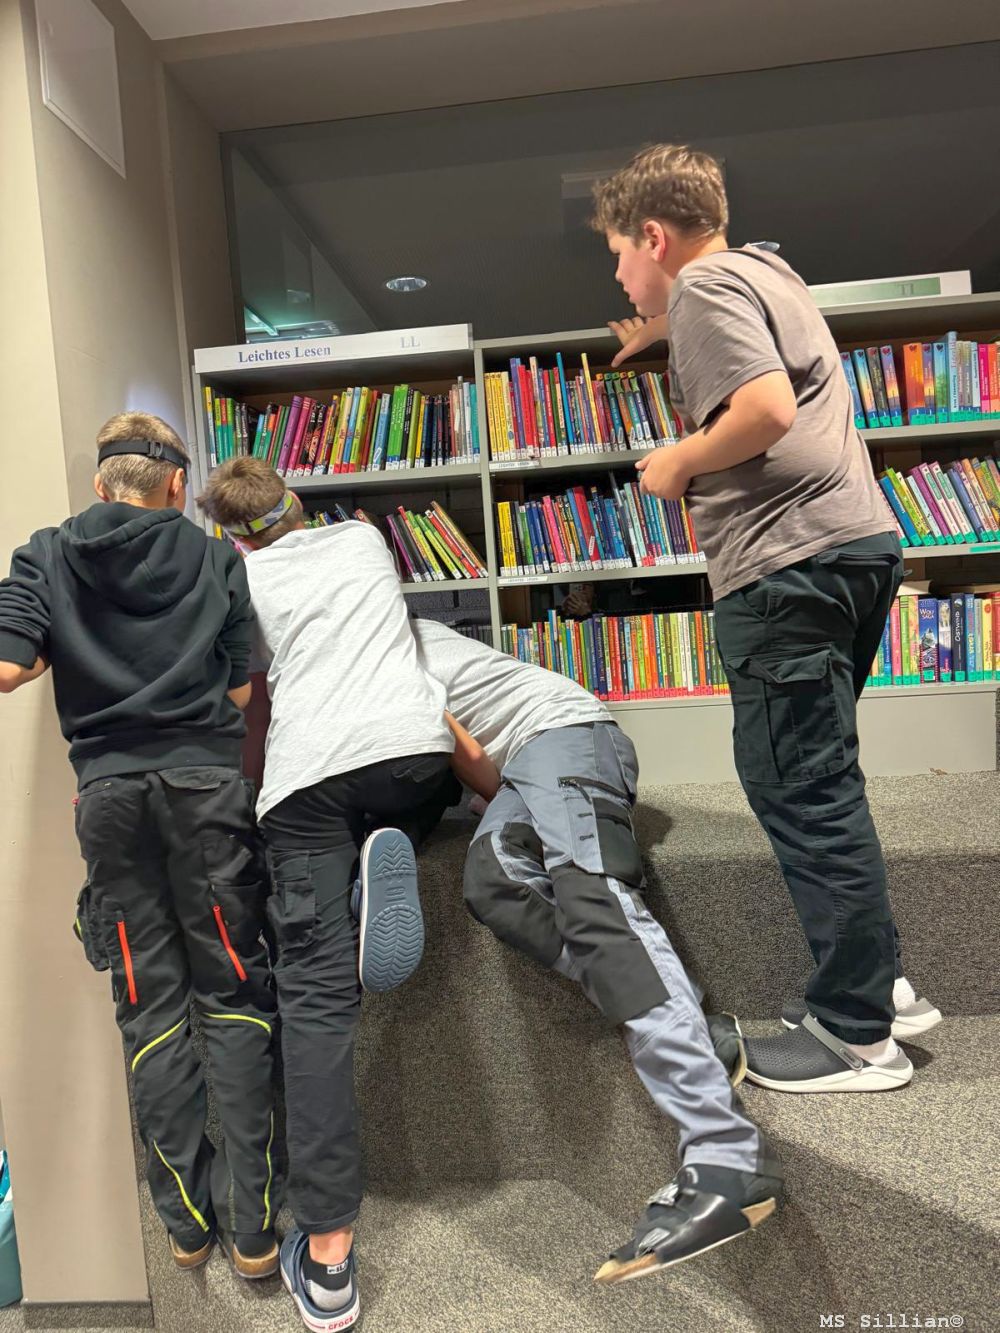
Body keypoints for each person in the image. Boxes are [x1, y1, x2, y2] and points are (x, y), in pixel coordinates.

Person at [594, 144, 941, 1094]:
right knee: (822, 775)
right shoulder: (765, 275)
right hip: (850, 547)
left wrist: (677, 462)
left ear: (654, 236)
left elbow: (765, 408)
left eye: (619, 255)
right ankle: (879, 982)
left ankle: (856, 1036)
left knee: (798, 785)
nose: (618, 277)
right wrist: (657, 325)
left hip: (786, 566)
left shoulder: (705, 290)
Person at [198, 459, 492, 1333]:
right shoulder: (363, 540)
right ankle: (377, 859)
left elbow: (248, 701)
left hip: (311, 785)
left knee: (316, 1002)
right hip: (413, 760)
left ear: (231, 537)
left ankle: (328, 1257)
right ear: (298, 505)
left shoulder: (239, 581)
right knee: (411, 787)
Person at [410, 616, 783, 1285]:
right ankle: (692, 1027)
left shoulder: (364, 637)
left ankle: (727, 1157)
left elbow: (459, 744)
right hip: (525, 762)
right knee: (497, 884)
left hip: (565, 735)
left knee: (592, 898)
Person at [0, 413, 279, 1280]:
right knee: (231, 990)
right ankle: (254, 1230)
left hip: (110, 802)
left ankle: (187, 1225)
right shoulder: (216, 559)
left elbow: (9, 666)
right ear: (175, 485)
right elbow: (240, 693)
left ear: (100, 483)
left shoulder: (45, 554)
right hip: (206, 793)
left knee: (148, 1003)